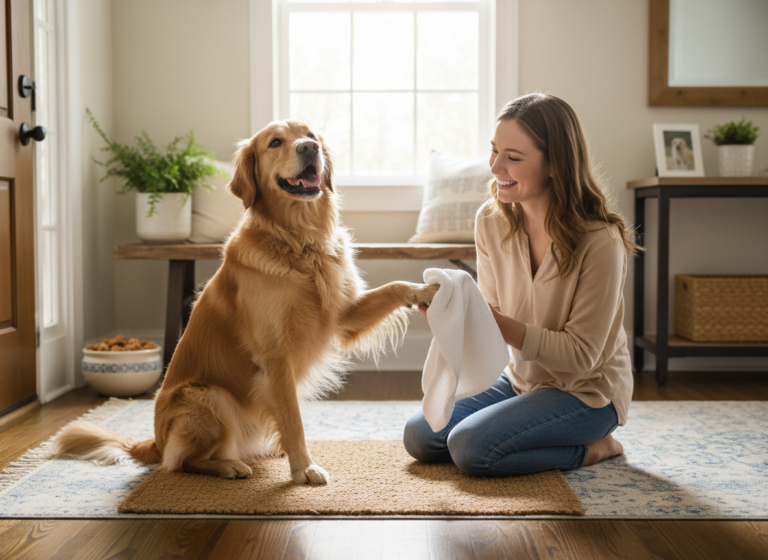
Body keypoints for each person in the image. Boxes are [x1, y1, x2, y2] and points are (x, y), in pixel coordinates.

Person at [404, 93, 640, 476]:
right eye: (494, 151)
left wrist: (488, 319)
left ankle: (596, 447)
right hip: (519, 380)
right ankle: (528, 426)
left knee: (470, 448)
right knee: (421, 436)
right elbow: (493, 322)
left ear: (554, 165)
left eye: (513, 157)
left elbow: (581, 357)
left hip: (585, 393)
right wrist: (453, 316)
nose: (495, 166)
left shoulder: (600, 240)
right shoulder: (491, 221)